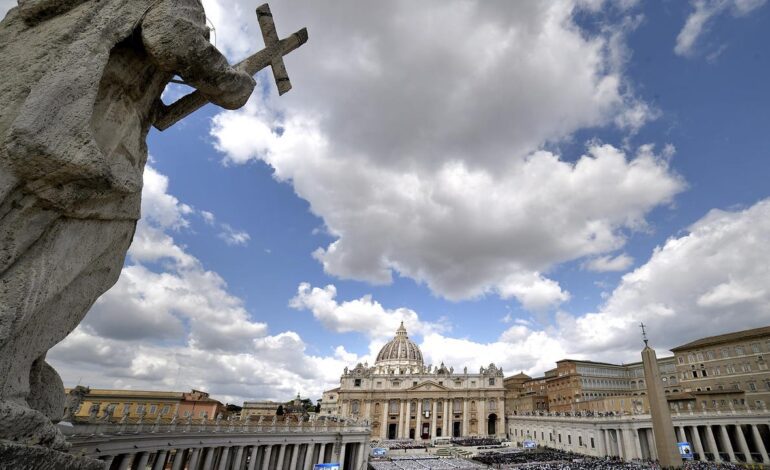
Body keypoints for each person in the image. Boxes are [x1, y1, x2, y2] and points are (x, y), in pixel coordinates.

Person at [0, 0, 254, 448]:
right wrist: (232, 84)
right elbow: (170, 36)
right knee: (84, 254)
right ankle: (9, 377)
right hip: (96, 132)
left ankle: (17, 372)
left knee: (19, 234)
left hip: (29, 107)